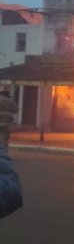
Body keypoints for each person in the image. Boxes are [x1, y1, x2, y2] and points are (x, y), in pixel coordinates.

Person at [0, 87, 23, 218]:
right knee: (3, 142)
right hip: (5, 125)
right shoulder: (10, 101)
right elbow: (16, 110)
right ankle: (3, 154)